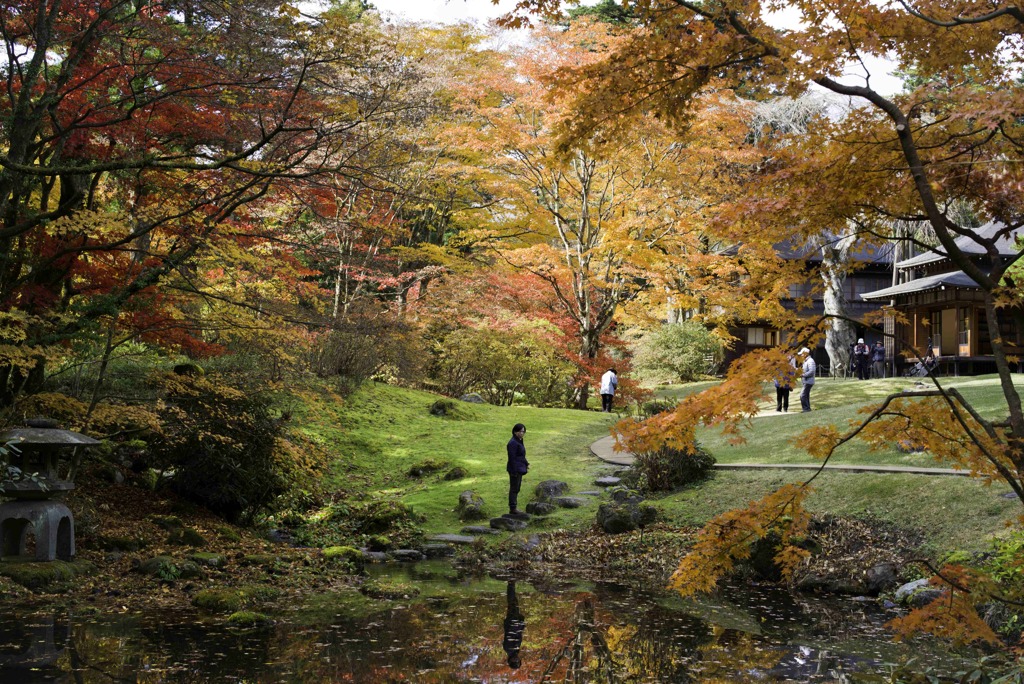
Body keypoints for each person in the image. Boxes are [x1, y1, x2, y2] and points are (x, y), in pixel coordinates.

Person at [506, 423, 529, 515]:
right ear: (515, 432)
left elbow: (521, 455)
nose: (522, 433)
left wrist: (526, 463)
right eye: (520, 431)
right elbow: (512, 458)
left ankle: (513, 507)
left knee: (517, 488)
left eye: (523, 431)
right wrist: (514, 471)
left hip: (519, 468)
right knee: (514, 488)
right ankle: (513, 508)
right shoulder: (513, 443)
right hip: (514, 469)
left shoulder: (519, 441)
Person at [503, 581, 525, 669]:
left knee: (512, 602)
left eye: (515, 661)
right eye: (518, 661)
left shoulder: (508, 648)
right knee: (514, 602)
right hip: (516, 623)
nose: (516, 659)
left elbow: (510, 633)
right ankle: (512, 584)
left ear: (510, 660)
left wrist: (516, 623)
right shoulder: (516, 650)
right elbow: (519, 635)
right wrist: (522, 624)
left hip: (512, 623)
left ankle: (511, 583)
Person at [799, 347, 816, 412]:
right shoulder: (806, 361)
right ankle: (807, 408)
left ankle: (806, 409)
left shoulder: (810, 361)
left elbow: (812, 371)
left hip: (808, 381)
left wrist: (803, 375)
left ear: (806, 354)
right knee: (805, 395)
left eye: (802, 354)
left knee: (802, 395)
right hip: (806, 381)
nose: (801, 355)